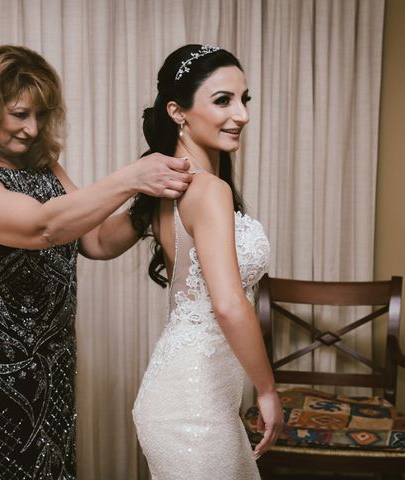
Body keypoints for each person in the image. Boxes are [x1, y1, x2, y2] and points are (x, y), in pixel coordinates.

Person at [0, 45, 191, 479]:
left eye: (40, 115)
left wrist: (149, 200)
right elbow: (42, 228)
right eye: (19, 114)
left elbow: (98, 240)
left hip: (51, 360)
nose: (32, 129)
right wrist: (129, 178)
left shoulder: (46, 168)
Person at [130, 44, 283, 479]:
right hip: (191, 409)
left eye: (243, 99)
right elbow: (230, 304)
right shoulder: (207, 190)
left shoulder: (172, 186)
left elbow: (95, 245)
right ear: (178, 112)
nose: (242, 115)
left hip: (200, 400)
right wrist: (268, 391)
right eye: (223, 100)